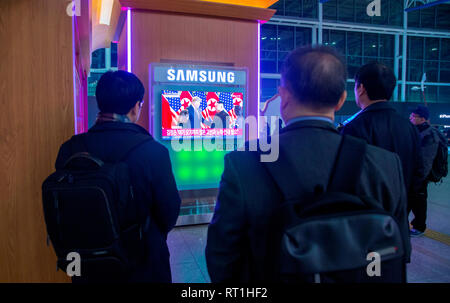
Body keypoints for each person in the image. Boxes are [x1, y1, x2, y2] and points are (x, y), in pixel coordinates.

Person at [205, 46, 411, 282]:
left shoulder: (243, 163)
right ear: (341, 100)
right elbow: (399, 250)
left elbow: (222, 257)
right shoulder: (385, 164)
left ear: (284, 96)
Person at [55, 71, 181, 282]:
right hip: (142, 262)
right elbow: (168, 211)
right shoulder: (152, 152)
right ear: (135, 107)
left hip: (86, 263)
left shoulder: (70, 149)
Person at [340, 62, 425, 219]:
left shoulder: (355, 128)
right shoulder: (409, 128)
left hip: (366, 219)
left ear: (361, 88)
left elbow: (347, 178)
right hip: (399, 215)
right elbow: (419, 172)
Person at [408, 105, 439, 236]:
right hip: (411, 174)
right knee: (408, 201)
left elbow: (426, 160)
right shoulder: (416, 131)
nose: (410, 118)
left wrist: (419, 178)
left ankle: (419, 227)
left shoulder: (429, 135)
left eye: (413, 116)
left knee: (419, 203)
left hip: (420, 176)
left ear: (423, 119)